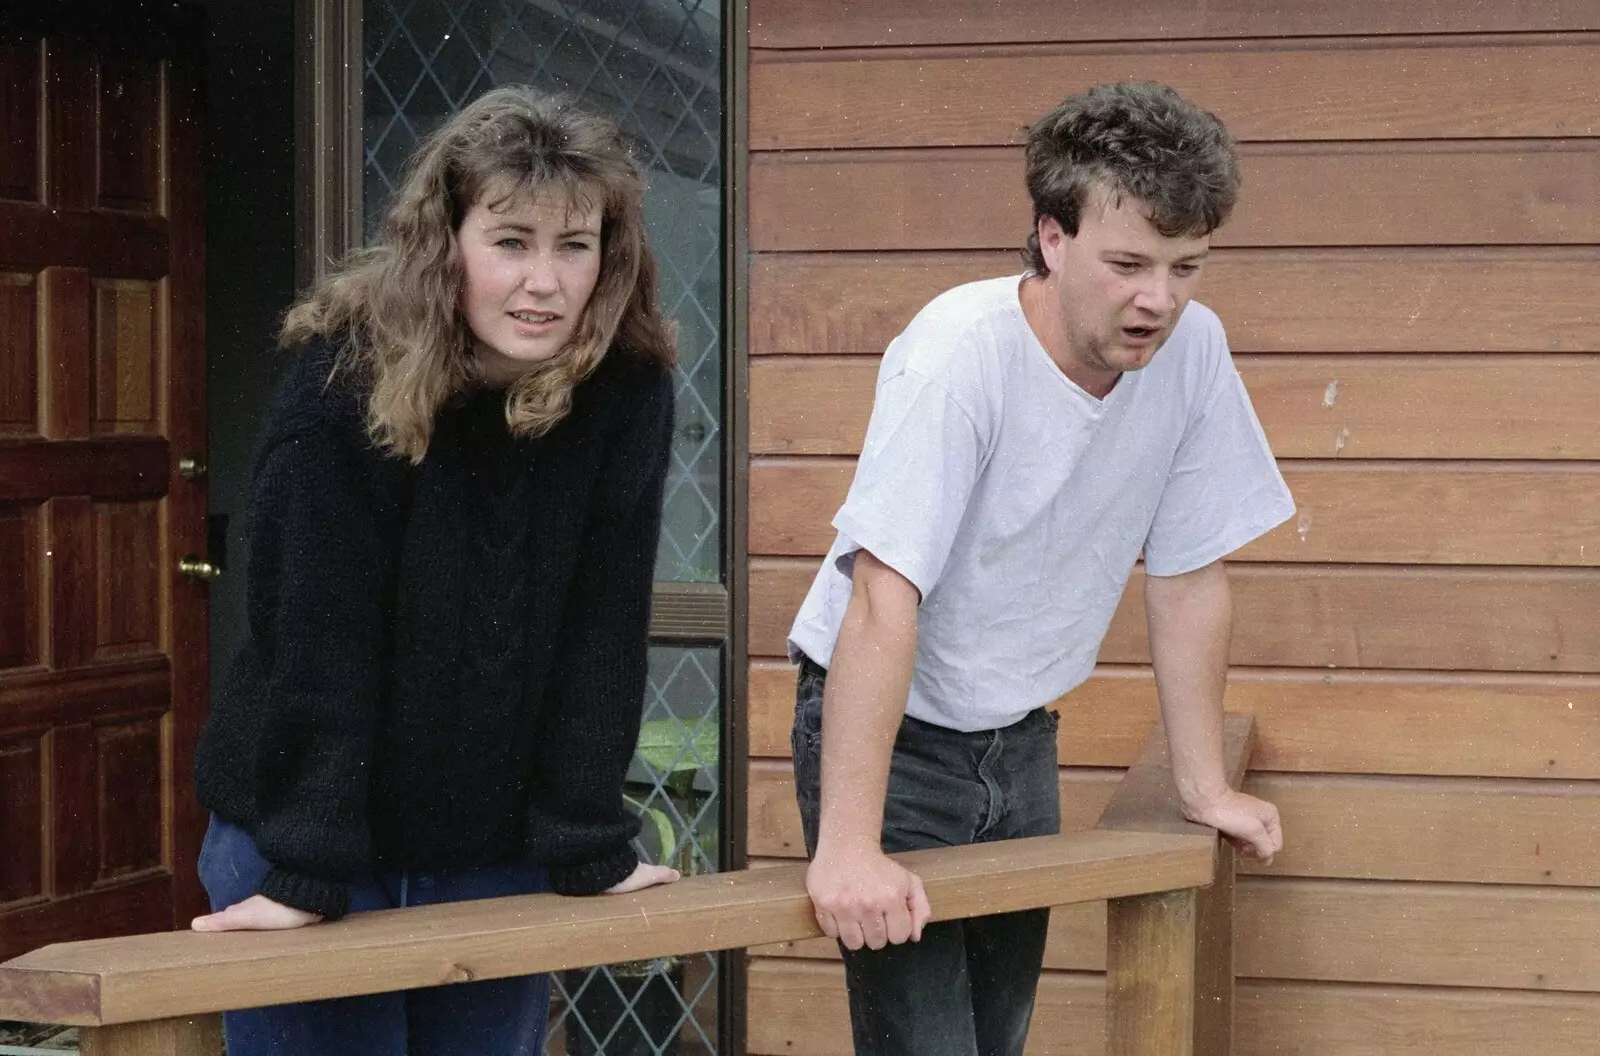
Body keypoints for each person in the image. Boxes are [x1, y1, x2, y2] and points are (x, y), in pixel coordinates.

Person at [787, 82, 1295, 1056]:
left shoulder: (1193, 352)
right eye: (1128, 263)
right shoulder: (959, 354)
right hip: (893, 730)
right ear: (1051, 237)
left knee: (997, 1036)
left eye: (1185, 265)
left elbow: (1189, 573)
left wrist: (1201, 784)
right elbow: (881, 597)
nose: (1159, 296)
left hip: (1019, 732)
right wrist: (848, 845)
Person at [191, 86, 680, 1056]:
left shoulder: (624, 391)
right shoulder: (344, 375)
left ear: (607, 256)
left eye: (572, 245)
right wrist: (302, 870)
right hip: (302, 826)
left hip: (482, 846)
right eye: (509, 241)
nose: (543, 280)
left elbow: (601, 627)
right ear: (444, 239)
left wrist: (586, 840)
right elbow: (316, 641)